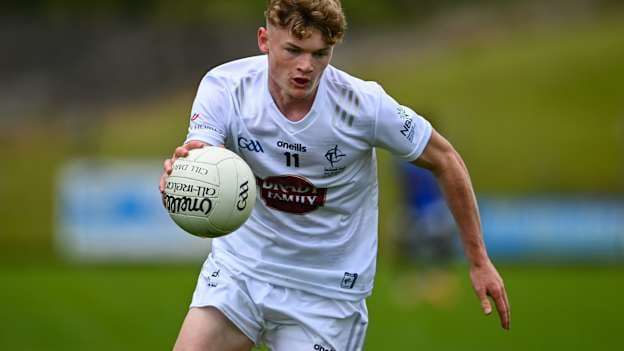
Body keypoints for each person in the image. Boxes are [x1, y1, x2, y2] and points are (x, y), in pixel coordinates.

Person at [159, 1, 510, 350]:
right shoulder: (226, 86)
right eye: (293, 50)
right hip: (241, 273)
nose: (306, 67)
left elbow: (446, 159)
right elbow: (200, 153)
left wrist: (479, 261)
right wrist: (182, 172)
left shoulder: (364, 105)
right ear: (264, 40)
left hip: (326, 295)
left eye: (319, 54)